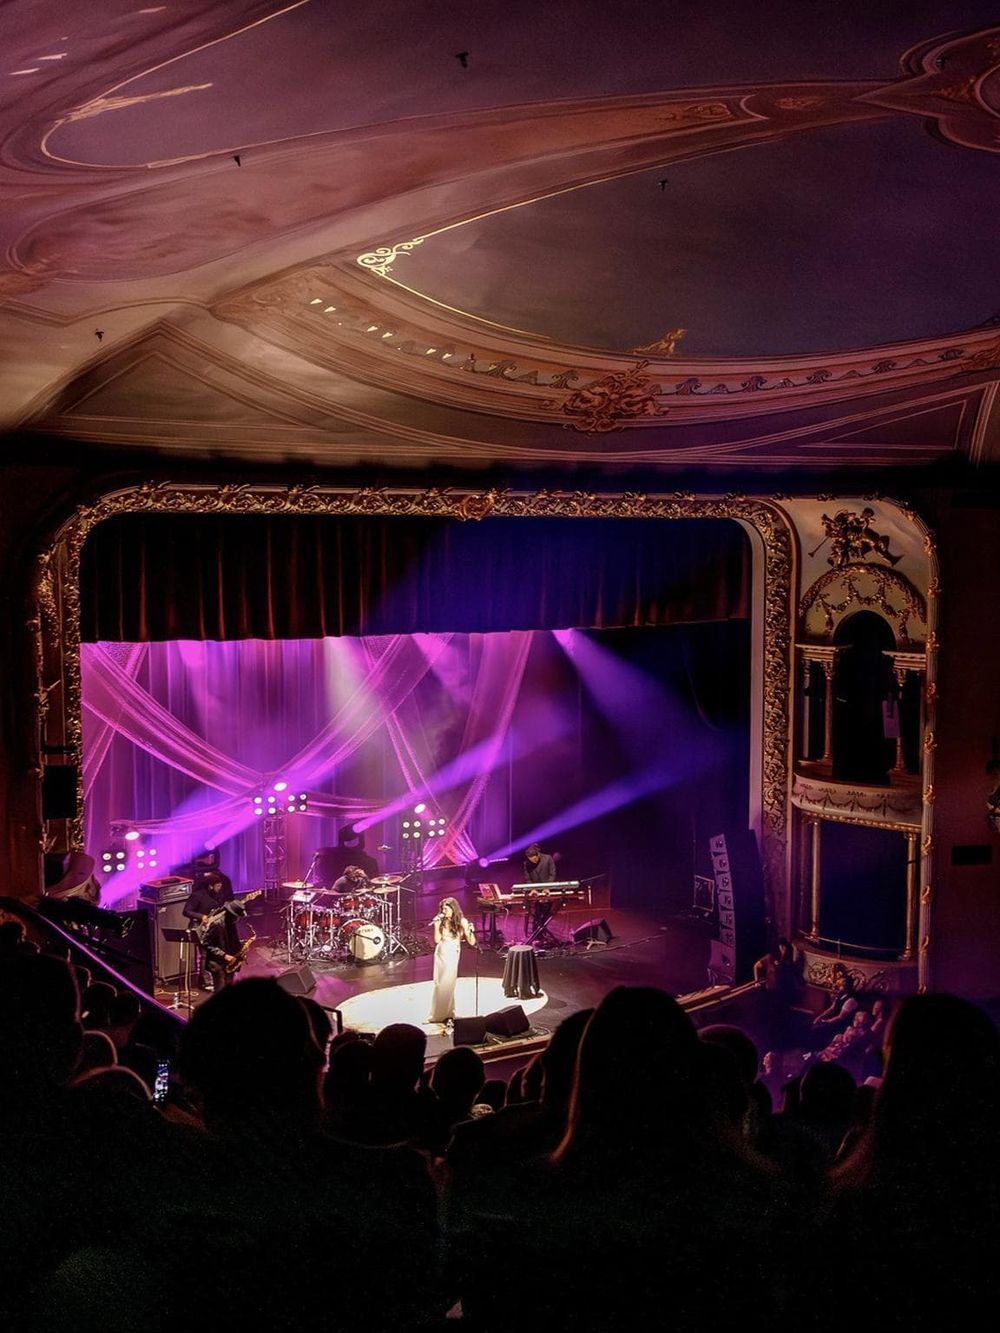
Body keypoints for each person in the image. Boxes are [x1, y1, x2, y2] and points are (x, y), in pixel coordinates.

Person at [428, 897, 476, 1028]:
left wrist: (471, 931)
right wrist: (437, 926)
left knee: (449, 982)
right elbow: (437, 940)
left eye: (446, 908)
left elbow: (472, 942)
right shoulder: (442, 922)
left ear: (453, 908)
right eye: (442, 908)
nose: (443, 911)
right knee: (439, 982)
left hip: (453, 953)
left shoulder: (462, 921)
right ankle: (439, 1014)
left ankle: (448, 1012)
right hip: (441, 952)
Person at [183, 870, 234, 990]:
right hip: (199, 928)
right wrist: (201, 916)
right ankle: (204, 981)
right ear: (210, 886)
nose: (220, 888)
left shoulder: (218, 896)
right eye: (218, 886)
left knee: (213, 953)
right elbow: (186, 911)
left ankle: (212, 978)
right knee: (204, 955)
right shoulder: (197, 896)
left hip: (213, 929)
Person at [199, 900, 252, 992]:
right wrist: (224, 955)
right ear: (231, 914)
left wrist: (241, 951)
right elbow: (205, 943)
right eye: (237, 916)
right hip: (217, 962)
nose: (238, 919)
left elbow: (232, 940)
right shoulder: (216, 923)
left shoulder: (231, 922)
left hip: (229, 962)